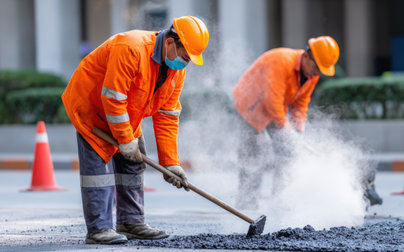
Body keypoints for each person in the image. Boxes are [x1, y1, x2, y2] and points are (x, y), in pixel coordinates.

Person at [62, 16, 209, 244]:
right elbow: (113, 97)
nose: (185, 62)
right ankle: (99, 229)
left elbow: (167, 115)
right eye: (184, 56)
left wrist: (170, 162)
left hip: (127, 114)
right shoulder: (131, 48)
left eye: (189, 60)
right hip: (93, 109)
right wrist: (124, 138)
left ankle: (131, 222)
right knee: (99, 171)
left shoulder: (176, 71)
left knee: (133, 163)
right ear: (170, 42)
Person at [232, 36, 382, 209]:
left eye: (320, 70)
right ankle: (246, 201)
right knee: (255, 154)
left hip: (275, 108)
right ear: (307, 56)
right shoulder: (280, 61)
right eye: (316, 67)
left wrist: (298, 131)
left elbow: (301, 103)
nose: (317, 72)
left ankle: (281, 199)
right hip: (251, 105)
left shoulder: (311, 75)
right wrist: (285, 128)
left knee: (288, 152)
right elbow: (271, 100)